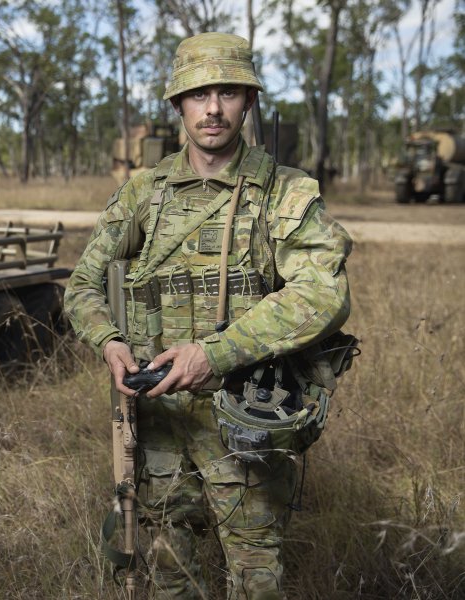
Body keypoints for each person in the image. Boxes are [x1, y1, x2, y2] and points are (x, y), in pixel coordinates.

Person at [64, 32, 352, 599]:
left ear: (249, 100)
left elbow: (323, 293)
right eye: (198, 94)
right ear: (178, 105)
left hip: (245, 423)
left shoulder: (282, 194)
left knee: (257, 580)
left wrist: (215, 354)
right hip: (161, 427)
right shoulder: (143, 194)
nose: (213, 109)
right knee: (171, 574)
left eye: (228, 92)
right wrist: (109, 342)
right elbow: (82, 285)